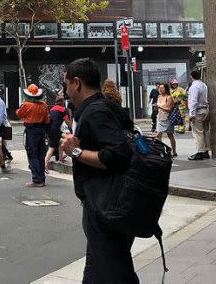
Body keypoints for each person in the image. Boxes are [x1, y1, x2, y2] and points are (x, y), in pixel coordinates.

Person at [59, 58, 137, 283]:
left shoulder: (96, 112)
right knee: (95, 273)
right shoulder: (106, 106)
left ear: (77, 82)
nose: (65, 91)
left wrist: (75, 151)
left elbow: (117, 155)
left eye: (66, 84)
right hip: (108, 201)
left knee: (117, 273)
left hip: (105, 205)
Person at [16, 84, 50, 187]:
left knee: (32, 153)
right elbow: (47, 120)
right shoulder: (44, 105)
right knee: (41, 153)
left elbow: (19, 114)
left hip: (31, 130)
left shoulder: (26, 104)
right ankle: (42, 178)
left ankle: (36, 179)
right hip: (41, 129)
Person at [187, 70, 210, 160]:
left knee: (197, 132)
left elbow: (193, 101)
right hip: (205, 110)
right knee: (204, 131)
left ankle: (199, 152)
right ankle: (205, 150)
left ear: (191, 76)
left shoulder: (194, 86)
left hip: (198, 111)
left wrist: (191, 113)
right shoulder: (204, 85)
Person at [45, 92, 71, 171]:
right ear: (62, 102)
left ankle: (60, 158)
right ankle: (44, 164)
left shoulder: (52, 109)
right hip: (55, 131)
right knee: (52, 147)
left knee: (61, 141)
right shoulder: (63, 109)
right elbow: (67, 122)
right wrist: (71, 124)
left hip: (51, 130)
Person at [154, 83, 178, 157]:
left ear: (166, 89)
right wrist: (156, 108)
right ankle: (160, 150)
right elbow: (158, 107)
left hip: (167, 118)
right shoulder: (159, 96)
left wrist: (160, 107)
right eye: (159, 88)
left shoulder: (169, 97)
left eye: (162, 88)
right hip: (160, 118)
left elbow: (169, 109)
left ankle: (174, 151)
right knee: (158, 135)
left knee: (170, 135)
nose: (160, 90)